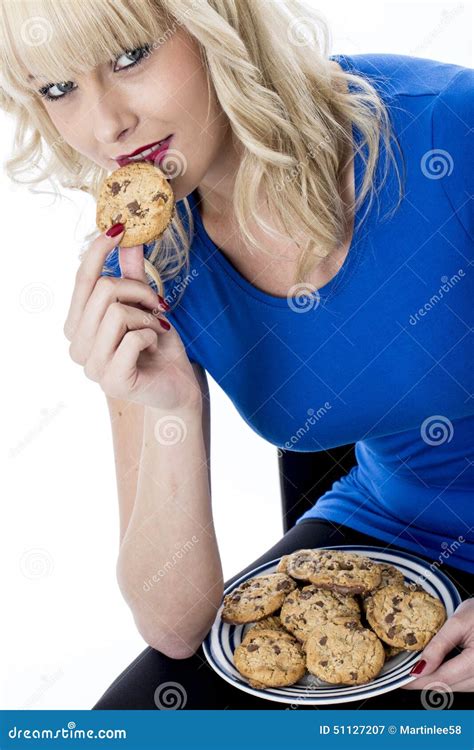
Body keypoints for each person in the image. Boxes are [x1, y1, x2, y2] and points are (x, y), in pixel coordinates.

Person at [0, 0, 472, 710]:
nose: (105, 127)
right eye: (58, 87)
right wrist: (171, 408)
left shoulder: (449, 132)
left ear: (222, 23)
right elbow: (175, 624)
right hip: (389, 533)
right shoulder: (144, 267)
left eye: (130, 56)